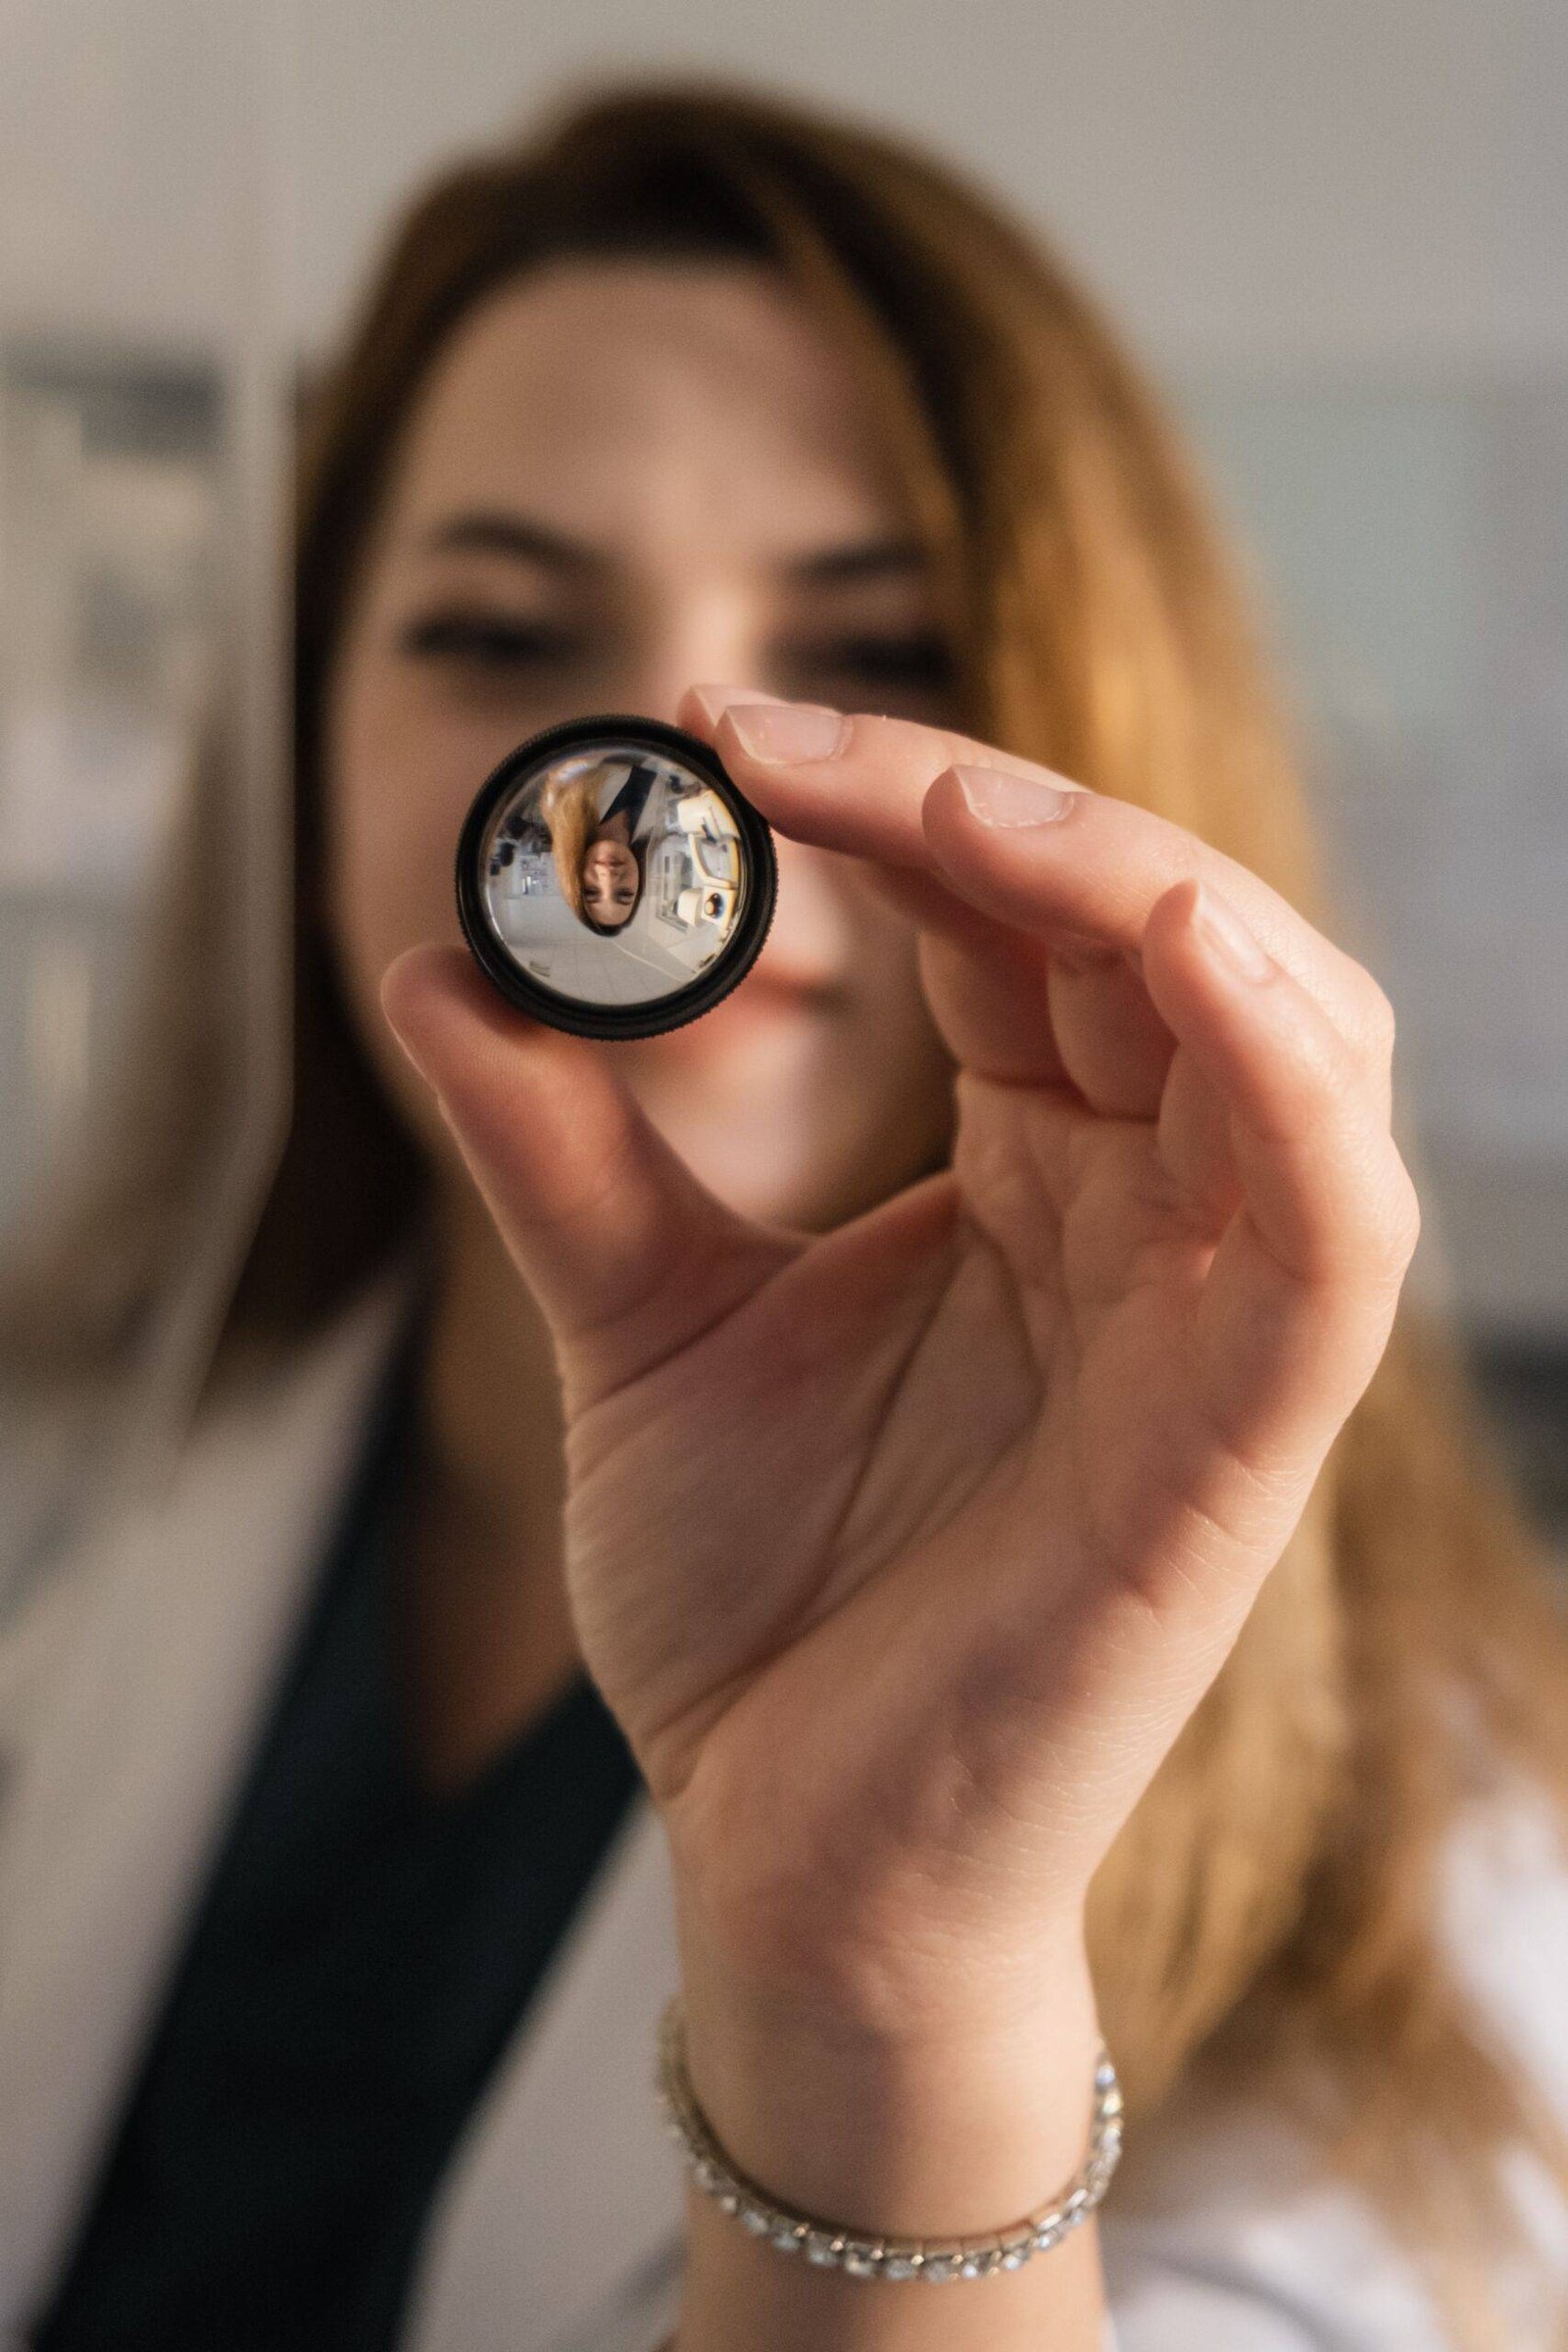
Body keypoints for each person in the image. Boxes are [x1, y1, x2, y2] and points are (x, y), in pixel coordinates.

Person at [2, 75, 1567, 2352]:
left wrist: (884, 2013)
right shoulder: (58, 1487)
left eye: (883, 649)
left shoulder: (1429, 1838)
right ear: (306, 737)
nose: (667, 760)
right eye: (493, 624)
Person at [543, 759, 658, 933]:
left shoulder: (562, 802)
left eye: (591, 891)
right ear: (639, 884)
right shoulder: (657, 824)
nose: (609, 877)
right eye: (624, 894)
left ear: (574, 878)